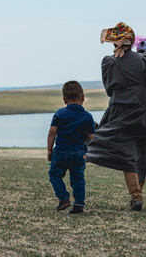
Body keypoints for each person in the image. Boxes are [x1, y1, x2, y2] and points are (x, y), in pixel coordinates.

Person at [86, 22, 146, 211]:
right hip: (145, 111)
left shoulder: (109, 62)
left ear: (115, 43)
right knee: (141, 152)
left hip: (121, 109)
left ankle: (136, 197)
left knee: (117, 148)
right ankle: (137, 197)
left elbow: (110, 89)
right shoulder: (145, 60)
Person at [47, 81, 96, 214]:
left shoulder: (59, 114)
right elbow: (93, 137)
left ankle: (63, 198)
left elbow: (52, 132)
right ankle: (79, 204)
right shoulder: (88, 116)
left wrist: (49, 150)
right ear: (83, 98)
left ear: (64, 100)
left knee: (54, 175)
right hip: (80, 153)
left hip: (61, 152)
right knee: (78, 179)